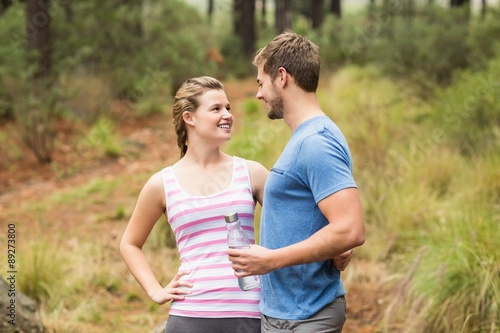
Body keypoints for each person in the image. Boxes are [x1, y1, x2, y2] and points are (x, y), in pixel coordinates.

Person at [120, 76, 353, 333]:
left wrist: (336, 247)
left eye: (228, 108)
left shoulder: (251, 173)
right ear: (189, 118)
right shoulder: (161, 184)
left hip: (250, 314)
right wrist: (156, 291)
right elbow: (130, 243)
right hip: (189, 316)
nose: (228, 115)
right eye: (216, 108)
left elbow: (300, 219)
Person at [227, 31, 366, 333]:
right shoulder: (308, 137)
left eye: (261, 83)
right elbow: (330, 226)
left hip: (304, 316)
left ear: (282, 77)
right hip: (289, 314)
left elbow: (350, 229)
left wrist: (272, 260)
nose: (259, 94)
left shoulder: (315, 142)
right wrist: (335, 249)